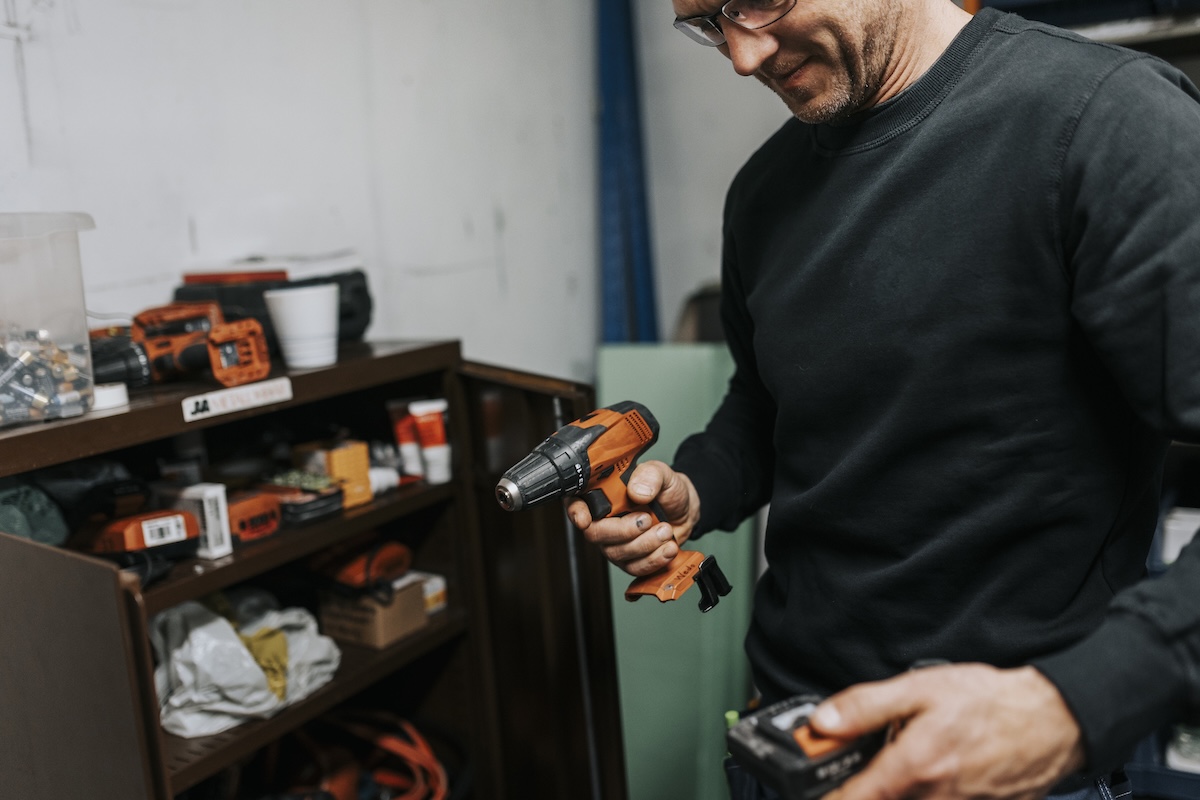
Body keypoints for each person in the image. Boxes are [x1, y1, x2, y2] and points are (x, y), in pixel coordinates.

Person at [567, 0, 1200, 798]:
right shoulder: (761, 196)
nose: (740, 55)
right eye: (706, 24)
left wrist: (1072, 706)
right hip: (789, 737)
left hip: (1002, 761)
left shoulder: (1107, 120)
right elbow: (764, 407)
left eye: (758, 0)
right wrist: (695, 490)